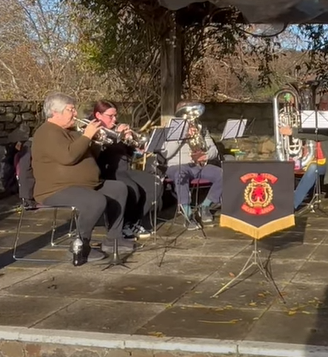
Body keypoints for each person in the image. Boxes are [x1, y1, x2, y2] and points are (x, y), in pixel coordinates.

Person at [30, 92, 136, 266]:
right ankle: (80, 246)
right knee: (95, 201)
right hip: (56, 189)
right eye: (70, 110)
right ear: (56, 112)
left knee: (119, 189)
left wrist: (94, 141)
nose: (75, 114)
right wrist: (87, 136)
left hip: (83, 184)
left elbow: (87, 155)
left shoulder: (70, 131)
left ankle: (113, 239)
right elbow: (68, 157)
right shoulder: (47, 132)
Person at [90, 100, 162, 239]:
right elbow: (99, 154)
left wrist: (131, 142)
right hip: (108, 170)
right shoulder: (95, 130)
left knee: (154, 183)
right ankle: (122, 225)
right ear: (98, 115)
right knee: (132, 188)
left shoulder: (115, 128)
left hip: (125, 169)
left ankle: (134, 221)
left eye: (115, 115)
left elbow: (127, 154)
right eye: (110, 116)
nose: (115, 119)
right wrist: (116, 136)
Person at [278, 92, 328, 210]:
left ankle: (292, 204)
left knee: (313, 168)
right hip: (311, 157)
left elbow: (323, 135)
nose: (323, 107)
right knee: (280, 161)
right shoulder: (316, 119)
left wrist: (292, 132)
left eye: (326, 104)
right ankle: (280, 198)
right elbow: (310, 136)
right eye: (321, 104)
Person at [162, 101, 223, 230]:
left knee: (222, 174)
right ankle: (188, 214)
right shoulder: (171, 128)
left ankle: (205, 206)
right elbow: (166, 154)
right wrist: (183, 136)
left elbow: (214, 150)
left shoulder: (201, 127)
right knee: (180, 175)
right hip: (177, 166)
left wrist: (205, 156)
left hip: (198, 165)